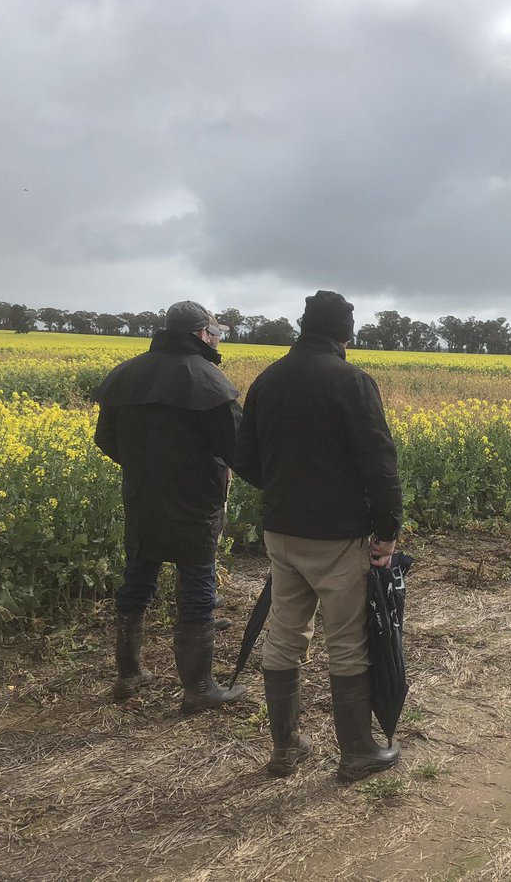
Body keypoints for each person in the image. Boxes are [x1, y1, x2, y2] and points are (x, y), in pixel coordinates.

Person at [233, 290, 404, 781]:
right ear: (345, 332)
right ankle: (356, 753)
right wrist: (388, 531)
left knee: (286, 634)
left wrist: (288, 488)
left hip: (282, 531)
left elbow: (243, 457)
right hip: (338, 535)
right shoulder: (352, 381)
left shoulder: (268, 379)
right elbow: (380, 462)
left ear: (303, 326)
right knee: (348, 642)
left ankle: (285, 749)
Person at [93, 301, 246, 713]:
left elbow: (105, 439)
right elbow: (239, 447)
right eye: (216, 332)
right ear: (201, 334)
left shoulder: (128, 374)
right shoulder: (210, 381)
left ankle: (128, 674)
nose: (217, 339)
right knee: (198, 584)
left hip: (143, 495)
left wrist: (147, 467)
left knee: (137, 579)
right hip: (195, 502)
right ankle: (199, 687)